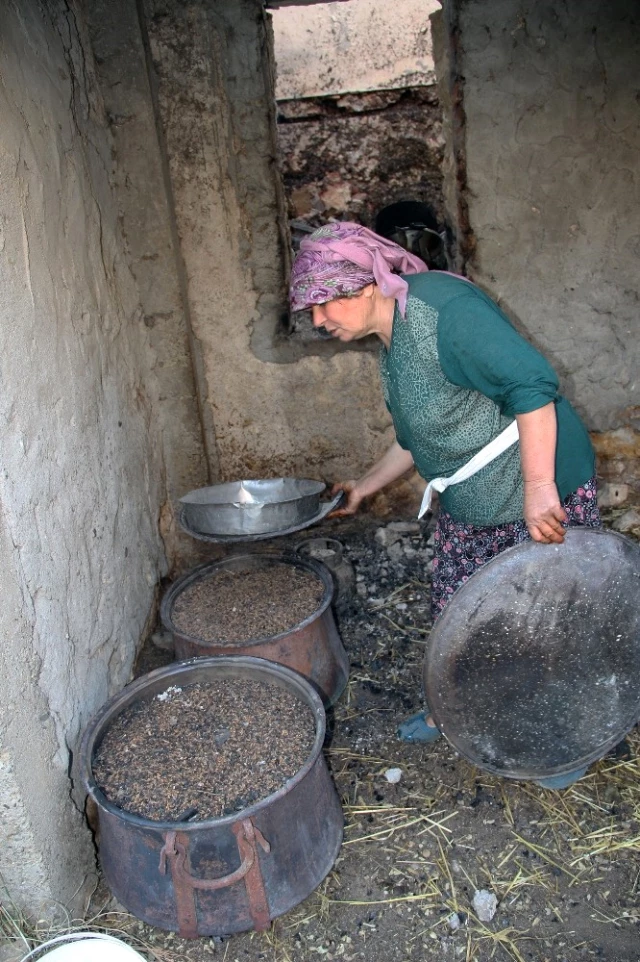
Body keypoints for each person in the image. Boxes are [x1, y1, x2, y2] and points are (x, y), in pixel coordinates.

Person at [289, 221, 601, 789]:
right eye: (309, 310)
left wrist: (539, 489)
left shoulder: (443, 313)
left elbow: (533, 387)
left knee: (544, 624)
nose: (317, 321)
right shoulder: (391, 337)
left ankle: (563, 738)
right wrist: (364, 486)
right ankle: (458, 710)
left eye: (324, 305)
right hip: (472, 499)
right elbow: (419, 436)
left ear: (365, 287)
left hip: (534, 487)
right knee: (463, 614)